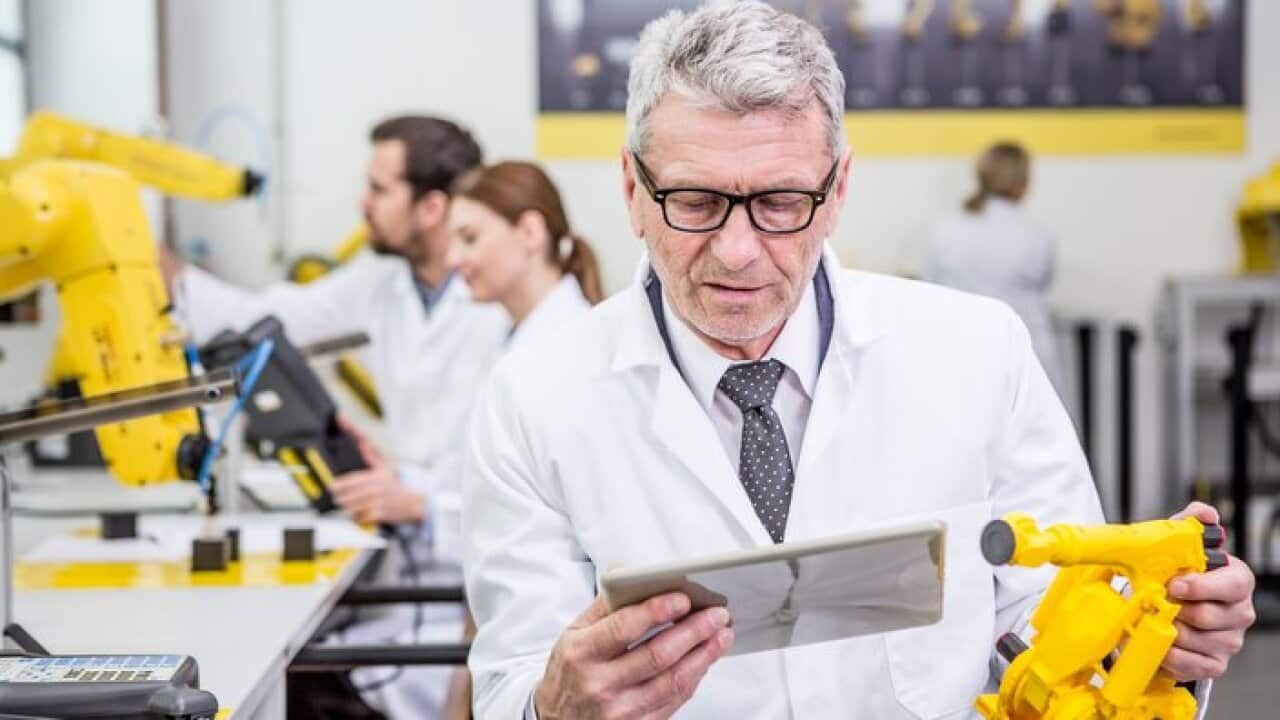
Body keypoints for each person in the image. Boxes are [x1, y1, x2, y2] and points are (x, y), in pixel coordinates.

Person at [461, 4, 1256, 718]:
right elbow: (510, 687)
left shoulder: (976, 351)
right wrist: (552, 709)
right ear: (634, 192)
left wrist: (1162, 646)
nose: (738, 252)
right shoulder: (535, 398)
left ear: (838, 190)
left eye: (779, 203)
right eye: (696, 203)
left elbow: (1055, 620)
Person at [162, 115, 508, 719]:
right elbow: (259, 320)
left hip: (469, 581)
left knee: (296, 684)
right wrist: (148, 262)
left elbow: (524, 486)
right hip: (408, 563)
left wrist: (416, 497)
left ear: (430, 207)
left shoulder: (502, 303)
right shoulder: (383, 283)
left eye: (378, 189)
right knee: (283, 661)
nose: (362, 203)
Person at [923, 141, 1063, 390]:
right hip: (1024, 357)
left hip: (960, 354)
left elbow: (930, 287)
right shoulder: (1037, 235)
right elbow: (1043, 285)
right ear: (1023, 183)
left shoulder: (944, 229)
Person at [445, 161, 604, 352]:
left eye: (470, 239)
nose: (452, 259)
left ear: (530, 232)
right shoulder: (506, 334)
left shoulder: (574, 342)